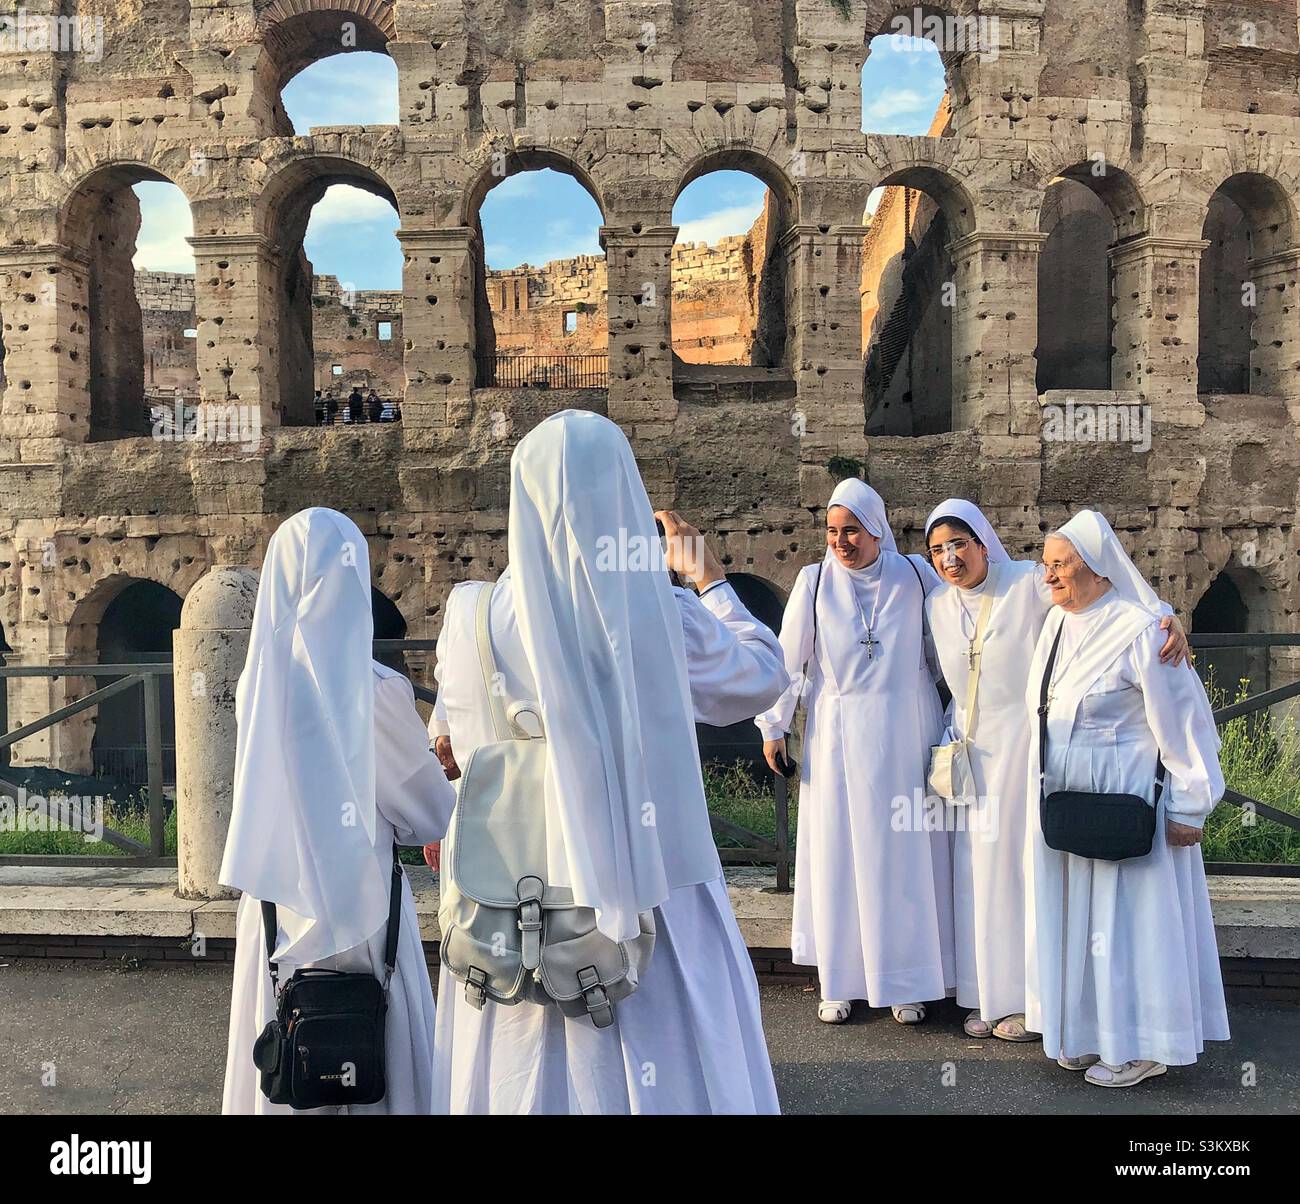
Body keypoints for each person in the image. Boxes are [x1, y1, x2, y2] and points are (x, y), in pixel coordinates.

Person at [428, 409, 786, 1114]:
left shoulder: (467, 615)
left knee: (514, 1077)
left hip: (513, 906)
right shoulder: (658, 615)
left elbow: (451, 742)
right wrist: (710, 582)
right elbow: (762, 677)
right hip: (654, 892)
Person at [219, 507, 457, 1114]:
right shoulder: (377, 690)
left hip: (276, 908)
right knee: (374, 1054)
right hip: (365, 905)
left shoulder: (257, 685)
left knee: (285, 1051)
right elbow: (429, 815)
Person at [923, 500, 1188, 1043]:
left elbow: (1103, 592)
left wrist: (1165, 614)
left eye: (959, 544)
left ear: (982, 543)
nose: (950, 559)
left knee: (1026, 875)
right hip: (972, 755)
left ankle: (1030, 999)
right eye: (937, 550)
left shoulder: (1024, 583)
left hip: (1027, 751)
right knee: (977, 878)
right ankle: (984, 993)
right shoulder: (935, 604)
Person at [1023, 510, 1230, 1088]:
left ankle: (1144, 1045)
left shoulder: (1144, 630)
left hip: (1126, 800)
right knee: (1081, 920)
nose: (1050, 578)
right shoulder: (1056, 624)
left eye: (1060, 566)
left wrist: (1192, 802)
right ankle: (1090, 1031)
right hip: (1067, 800)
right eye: (1047, 567)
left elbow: (1182, 719)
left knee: (1129, 925)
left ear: (1096, 565)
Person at [757, 479, 953, 1026]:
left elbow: (955, 637)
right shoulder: (814, 581)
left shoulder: (915, 573)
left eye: (853, 532)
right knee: (839, 857)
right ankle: (840, 980)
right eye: (833, 531)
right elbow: (787, 660)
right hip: (837, 734)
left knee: (904, 860)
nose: (841, 542)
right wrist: (774, 725)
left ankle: (907, 982)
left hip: (906, 729)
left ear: (876, 530)